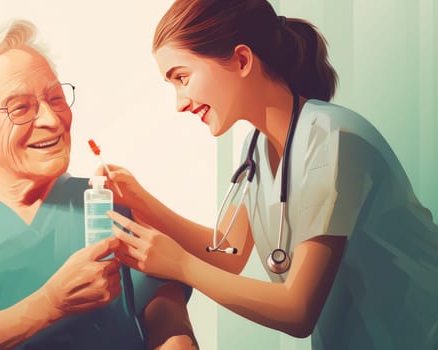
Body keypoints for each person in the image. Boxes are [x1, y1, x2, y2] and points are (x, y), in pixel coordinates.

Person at [101, 0, 438, 349]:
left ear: (242, 60)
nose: (180, 102)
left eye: (182, 78)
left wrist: (180, 266)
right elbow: (228, 252)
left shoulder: (333, 138)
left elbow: (298, 311)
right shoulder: (257, 147)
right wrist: (138, 198)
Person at [0, 18, 198, 350]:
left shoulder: (114, 201)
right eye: (20, 108)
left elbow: (170, 321)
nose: (51, 120)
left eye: (56, 98)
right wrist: (47, 306)